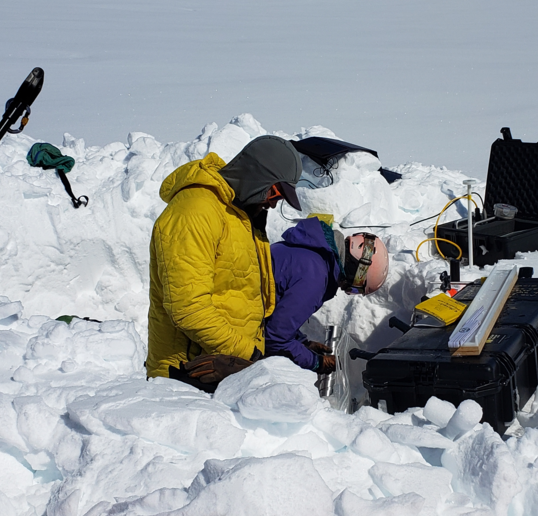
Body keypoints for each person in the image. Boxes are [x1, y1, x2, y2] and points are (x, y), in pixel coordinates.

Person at [146, 135, 303, 391]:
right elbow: (188, 308)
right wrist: (249, 356)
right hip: (189, 373)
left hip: (225, 365)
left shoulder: (239, 214)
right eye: (275, 192)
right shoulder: (194, 212)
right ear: (255, 176)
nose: (274, 203)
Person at [264, 216, 389, 373]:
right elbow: (275, 339)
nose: (348, 291)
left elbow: (279, 311)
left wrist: (303, 343)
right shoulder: (315, 278)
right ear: (354, 270)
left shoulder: (312, 251)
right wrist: (317, 362)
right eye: (356, 288)